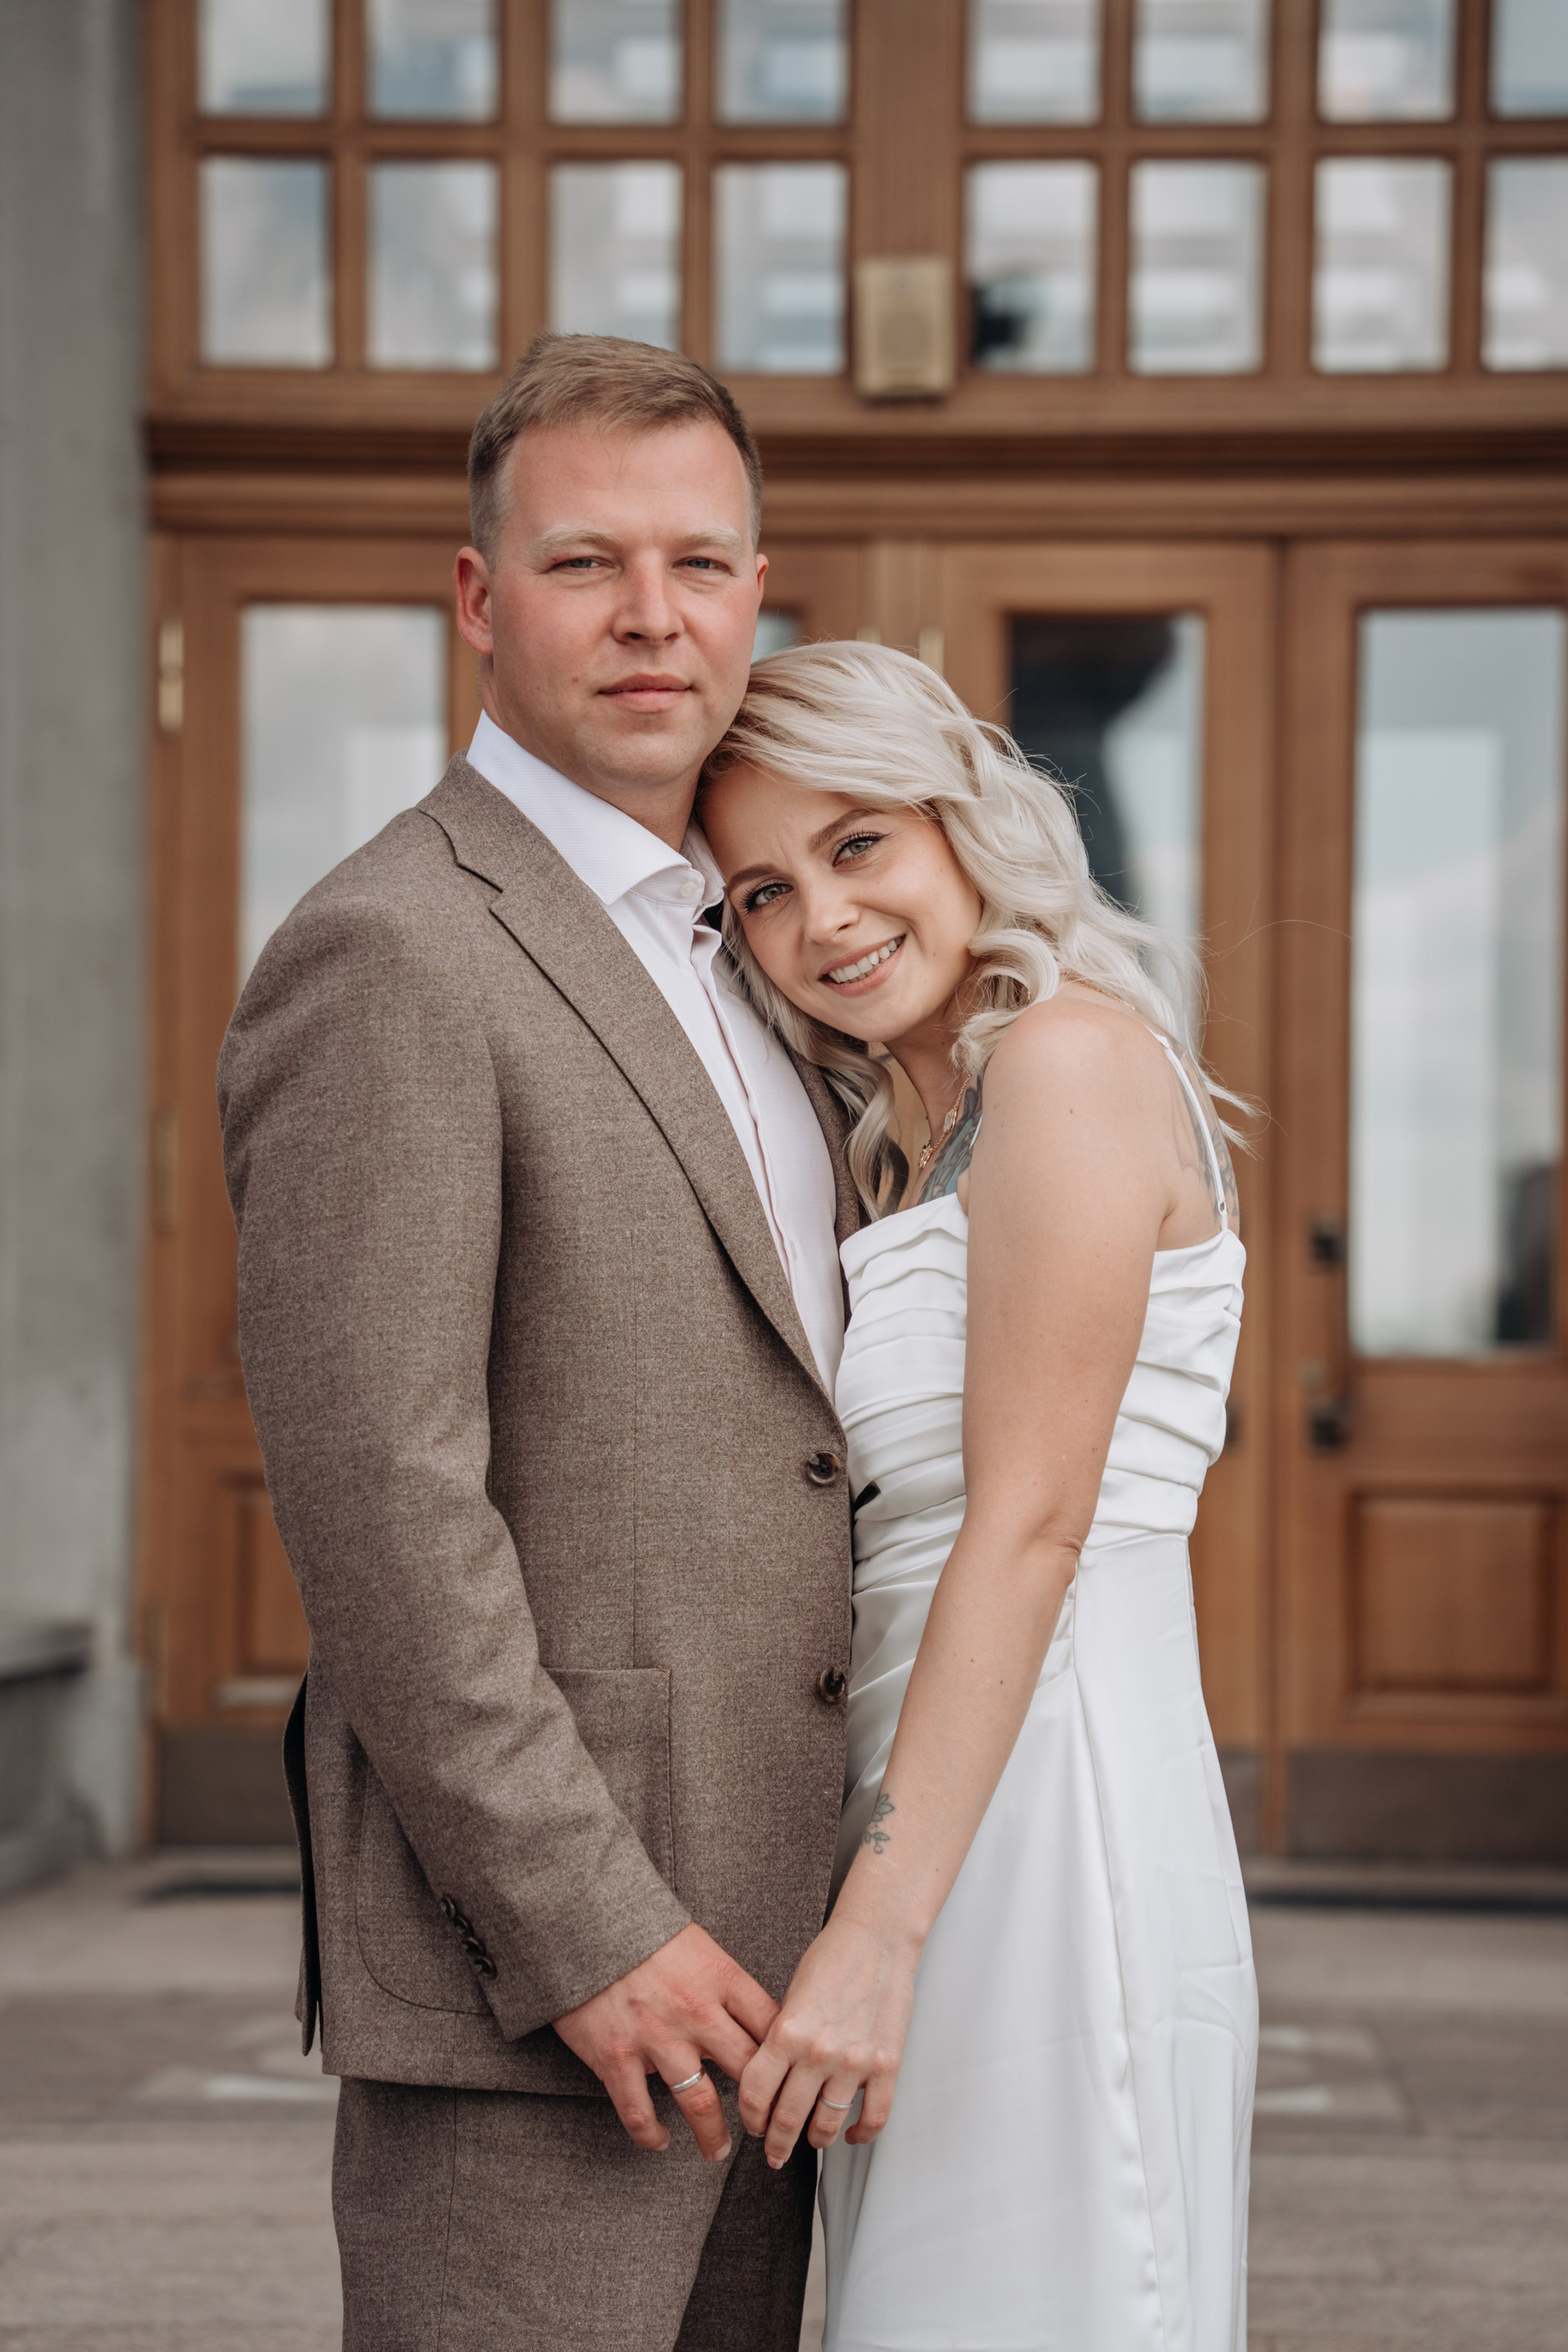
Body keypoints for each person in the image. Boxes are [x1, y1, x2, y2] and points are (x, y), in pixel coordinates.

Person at [217, 336, 862, 2351]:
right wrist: (587, 1929)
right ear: (481, 599)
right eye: (588, 563)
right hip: (550, 1982)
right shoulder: (392, 950)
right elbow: (383, 1504)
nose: (654, 615)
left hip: (787, 1969)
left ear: (758, 595)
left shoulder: (767, 953)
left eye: (700, 562)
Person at [698, 639, 1258, 2352]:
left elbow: (1028, 1529)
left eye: (858, 843)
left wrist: (877, 1929)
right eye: (764, 891)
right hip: (937, 1807)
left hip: (1048, 1814)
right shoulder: (903, 1136)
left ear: (962, 822)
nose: (824, 920)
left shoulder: (1069, 1064)